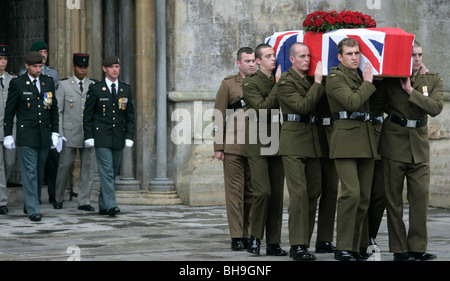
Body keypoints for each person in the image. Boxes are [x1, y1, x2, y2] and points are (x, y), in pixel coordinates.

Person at [377, 41, 443, 261]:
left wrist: (409, 90)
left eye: (420, 54)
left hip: (420, 145)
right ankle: (399, 249)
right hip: (394, 143)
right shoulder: (389, 80)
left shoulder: (432, 78)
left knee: (420, 198)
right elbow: (378, 104)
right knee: (393, 200)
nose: (417, 59)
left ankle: (417, 247)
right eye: (413, 55)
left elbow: (435, 108)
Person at [325, 38, 381, 261]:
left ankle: (358, 247)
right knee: (351, 194)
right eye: (349, 54)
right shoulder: (335, 77)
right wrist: (368, 83)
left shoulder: (360, 75)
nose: (354, 57)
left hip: (366, 141)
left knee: (364, 197)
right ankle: (343, 248)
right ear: (340, 57)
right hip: (346, 143)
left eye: (357, 53)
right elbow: (351, 102)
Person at [277, 42, 325, 260]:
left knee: (313, 193)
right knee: (299, 195)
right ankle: (297, 246)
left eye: (309, 56)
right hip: (294, 142)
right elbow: (303, 106)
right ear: (292, 59)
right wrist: (317, 84)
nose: (307, 60)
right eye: (303, 56)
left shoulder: (308, 80)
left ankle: (304, 242)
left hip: (312, 141)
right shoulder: (286, 82)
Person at [3, 51, 59, 222]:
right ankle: (34, 209)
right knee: (30, 172)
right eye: (35, 66)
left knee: (39, 170)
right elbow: (10, 110)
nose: (38, 69)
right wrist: (8, 134)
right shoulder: (18, 84)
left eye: (41, 66)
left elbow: (53, 109)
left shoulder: (48, 82)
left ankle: (29, 204)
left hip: (44, 135)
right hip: (27, 135)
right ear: (27, 66)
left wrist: (55, 132)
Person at [242, 44, 286, 257]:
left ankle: (274, 242)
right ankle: (255, 237)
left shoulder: (279, 80)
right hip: (257, 142)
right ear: (258, 61)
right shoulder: (250, 82)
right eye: (268, 56)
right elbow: (261, 108)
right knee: (263, 192)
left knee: (277, 195)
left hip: (278, 140)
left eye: (274, 55)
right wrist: (278, 86)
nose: (273, 59)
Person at [213, 47, 255, 251]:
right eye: (247, 61)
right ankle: (237, 236)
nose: (251, 64)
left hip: (257, 146)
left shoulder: (263, 83)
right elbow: (218, 115)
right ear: (238, 63)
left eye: (253, 60)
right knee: (235, 193)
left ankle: (248, 234)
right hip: (233, 146)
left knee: (252, 193)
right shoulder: (228, 84)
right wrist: (218, 147)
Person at [83, 56, 135, 217]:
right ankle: (112, 205)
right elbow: (88, 115)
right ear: (105, 69)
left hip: (117, 136)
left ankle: (103, 204)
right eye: (111, 67)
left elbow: (130, 115)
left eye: (117, 67)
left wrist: (129, 135)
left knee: (111, 170)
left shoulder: (125, 89)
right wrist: (89, 135)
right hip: (102, 136)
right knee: (106, 171)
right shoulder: (96, 89)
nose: (115, 70)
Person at [53, 53, 97, 211]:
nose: (83, 70)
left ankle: (84, 200)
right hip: (69, 133)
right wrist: (58, 133)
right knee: (64, 165)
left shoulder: (92, 85)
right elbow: (58, 111)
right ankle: (58, 197)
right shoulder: (64, 85)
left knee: (88, 167)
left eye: (85, 67)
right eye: (80, 67)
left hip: (87, 134)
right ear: (73, 67)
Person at [20, 41, 60, 203]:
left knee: (43, 166)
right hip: (28, 130)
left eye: (45, 52)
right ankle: (32, 204)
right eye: (40, 52)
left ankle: (45, 196)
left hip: (45, 128)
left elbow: (53, 104)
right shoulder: (20, 78)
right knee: (30, 169)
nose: (43, 56)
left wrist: (55, 131)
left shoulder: (51, 77)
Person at [0, 44, 17, 215]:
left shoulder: (12, 80)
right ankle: (2, 201)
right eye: (0, 59)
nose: (3, 62)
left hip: (10, 130)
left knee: (10, 162)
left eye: (4, 59)